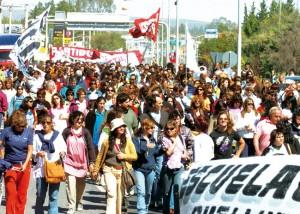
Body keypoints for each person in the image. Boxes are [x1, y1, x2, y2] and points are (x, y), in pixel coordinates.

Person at [92, 118, 137, 214]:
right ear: (114, 128)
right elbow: (100, 156)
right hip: (108, 169)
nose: (122, 128)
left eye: (123, 126)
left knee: (119, 197)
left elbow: (134, 156)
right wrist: (95, 170)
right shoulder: (107, 141)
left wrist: (124, 156)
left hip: (122, 171)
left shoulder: (128, 141)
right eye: (119, 126)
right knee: (111, 194)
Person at [62, 111, 96, 214]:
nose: (80, 121)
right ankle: (71, 206)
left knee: (81, 186)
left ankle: (79, 201)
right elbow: (61, 145)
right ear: (72, 119)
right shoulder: (67, 131)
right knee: (70, 185)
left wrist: (92, 162)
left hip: (82, 163)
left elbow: (90, 147)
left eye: (81, 119)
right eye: (78, 119)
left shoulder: (85, 132)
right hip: (69, 163)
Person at [0, 110, 33, 214]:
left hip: (24, 165)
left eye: (24, 126)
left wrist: (26, 164)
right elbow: (0, 145)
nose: (22, 128)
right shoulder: (6, 131)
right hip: (9, 166)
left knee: (22, 195)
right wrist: (2, 159)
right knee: (11, 193)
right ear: (15, 124)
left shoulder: (28, 132)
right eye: (20, 127)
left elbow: (30, 150)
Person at [32, 114, 67, 214]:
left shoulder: (58, 135)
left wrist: (63, 153)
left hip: (54, 169)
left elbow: (64, 148)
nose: (45, 124)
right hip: (41, 170)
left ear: (52, 124)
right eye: (43, 122)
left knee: (53, 197)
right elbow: (32, 151)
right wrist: (37, 154)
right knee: (40, 196)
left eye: (48, 122)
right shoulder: (36, 137)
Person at [132, 118, 162, 214]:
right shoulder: (136, 138)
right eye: (151, 127)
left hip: (150, 169)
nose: (152, 129)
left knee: (148, 192)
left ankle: (145, 208)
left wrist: (162, 150)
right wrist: (146, 147)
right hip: (139, 168)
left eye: (153, 128)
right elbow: (136, 152)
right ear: (144, 127)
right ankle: (141, 211)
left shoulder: (152, 139)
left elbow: (156, 153)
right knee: (141, 191)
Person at [160, 120, 190, 214]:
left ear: (176, 129)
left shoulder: (180, 138)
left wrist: (185, 156)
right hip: (168, 168)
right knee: (166, 193)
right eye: (167, 129)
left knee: (177, 191)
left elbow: (184, 152)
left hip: (179, 167)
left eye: (171, 129)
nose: (169, 130)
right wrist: (174, 142)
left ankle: (177, 211)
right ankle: (166, 211)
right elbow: (169, 152)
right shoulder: (164, 139)